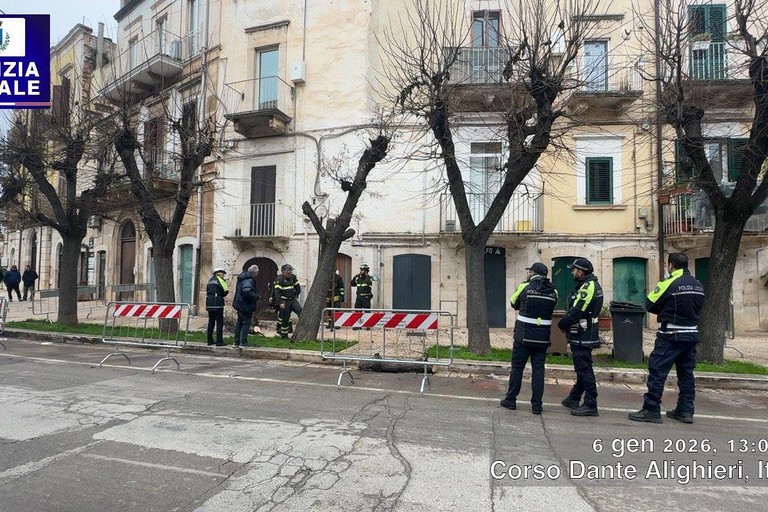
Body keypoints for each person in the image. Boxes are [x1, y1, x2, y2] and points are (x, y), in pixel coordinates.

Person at [629, 253, 705, 424]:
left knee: (657, 371)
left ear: (671, 265)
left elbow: (649, 303)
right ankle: (685, 410)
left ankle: (651, 409)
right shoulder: (698, 284)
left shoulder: (669, 282)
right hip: (691, 334)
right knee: (686, 374)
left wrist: (665, 310)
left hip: (671, 335)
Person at [500, 262, 558, 414]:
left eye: (529, 272)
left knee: (517, 368)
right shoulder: (554, 291)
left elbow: (513, 302)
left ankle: (511, 400)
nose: (528, 274)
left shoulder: (525, 286)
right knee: (538, 370)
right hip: (542, 337)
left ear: (532, 273)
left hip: (523, 336)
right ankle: (537, 405)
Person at [558, 258, 603, 417]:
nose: (572, 272)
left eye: (574, 270)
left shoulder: (588, 287)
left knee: (584, 369)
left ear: (581, 272)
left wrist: (562, 324)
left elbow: (577, 310)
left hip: (584, 334)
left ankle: (591, 403)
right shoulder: (589, 285)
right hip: (585, 333)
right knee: (582, 368)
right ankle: (574, 397)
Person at [233, 265, 260, 348]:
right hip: (245, 305)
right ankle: (243, 342)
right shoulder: (248, 280)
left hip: (239, 304)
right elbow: (246, 291)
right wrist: (255, 296)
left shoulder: (242, 277)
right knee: (246, 323)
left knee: (239, 323)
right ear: (255, 273)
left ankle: (236, 342)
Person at [273, 264, 302, 339]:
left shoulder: (293, 277)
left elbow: (298, 287)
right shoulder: (279, 280)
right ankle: (284, 335)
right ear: (283, 272)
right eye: (288, 273)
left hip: (292, 299)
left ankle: (301, 331)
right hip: (284, 301)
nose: (290, 274)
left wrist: (296, 295)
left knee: (300, 311)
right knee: (285, 318)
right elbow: (277, 293)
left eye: (290, 272)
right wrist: (280, 303)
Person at [205, 267, 229, 346]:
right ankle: (219, 341)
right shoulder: (220, 280)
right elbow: (225, 291)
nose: (223, 275)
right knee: (219, 322)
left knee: (211, 322)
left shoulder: (210, 281)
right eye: (222, 273)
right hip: (217, 304)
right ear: (218, 273)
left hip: (209, 304)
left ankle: (209, 340)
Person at [351, 263, 373, 330]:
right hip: (359, 297)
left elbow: (368, 283)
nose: (361, 271)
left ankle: (367, 324)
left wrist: (366, 276)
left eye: (363, 270)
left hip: (366, 297)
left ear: (366, 271)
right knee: (357, 311)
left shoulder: (369, 278)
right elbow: (352, 284)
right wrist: (354, 277)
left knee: (367, 311)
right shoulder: (358, 279)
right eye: (361, 270)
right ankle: (358, 324)